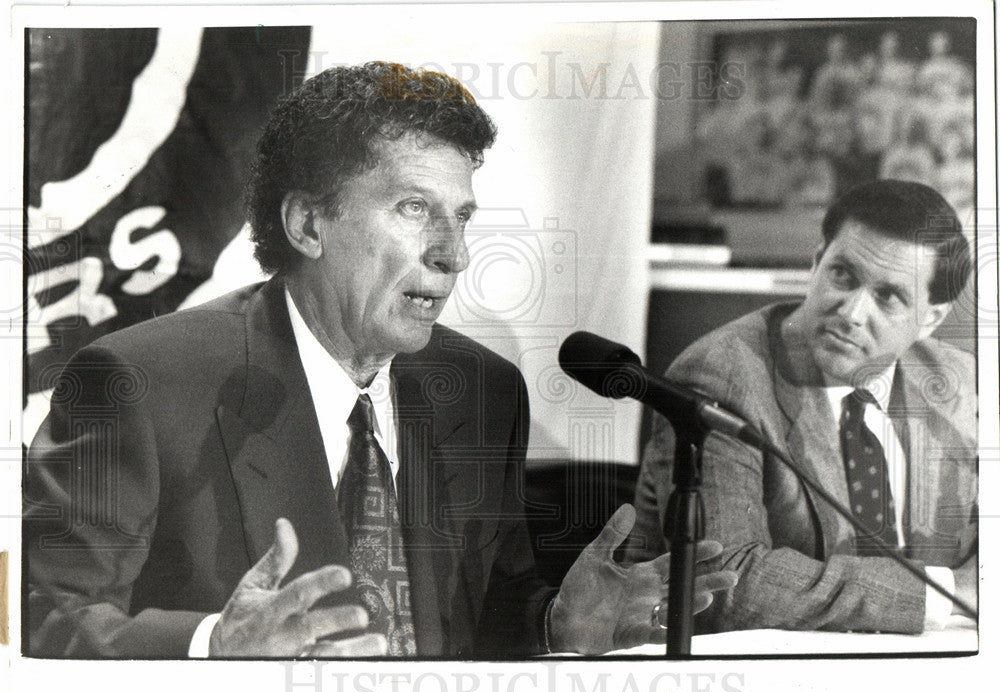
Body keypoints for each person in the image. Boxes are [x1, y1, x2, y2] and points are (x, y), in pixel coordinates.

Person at [24, 61, 735, 659]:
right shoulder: (141, 382)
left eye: (460, 218)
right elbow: (43, 621)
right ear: (308, 223)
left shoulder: (481, 393)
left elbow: (480, 621)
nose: (453, 257)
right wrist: (214, 645)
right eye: (414, 209)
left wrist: (556, 626)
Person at [626, 179, 977, 634]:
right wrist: (942, 592)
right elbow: (724, 583)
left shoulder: (960, 382)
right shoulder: (721, 377)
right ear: (815, 263)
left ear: (930, 318)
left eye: (888, 297)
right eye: (842, 275)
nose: (851, 313)